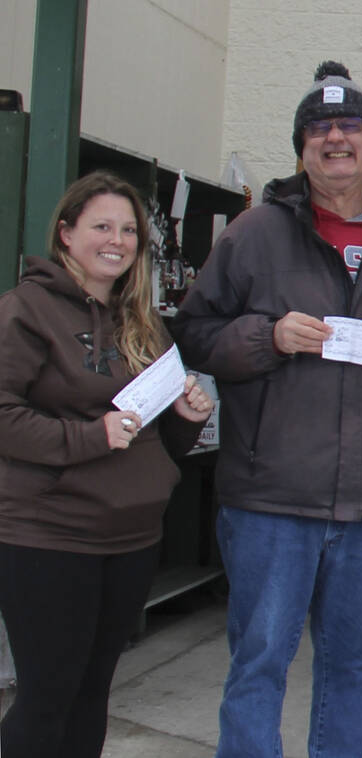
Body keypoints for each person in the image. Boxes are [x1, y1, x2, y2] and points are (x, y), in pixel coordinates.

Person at [172, 61, 362, 757]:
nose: (336, 139)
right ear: (302, 148)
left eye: (350, 128)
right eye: (320, 129)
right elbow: (192, 333)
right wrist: (266, 335)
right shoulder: (253, 234)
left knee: (354, 663)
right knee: (260, 661)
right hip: (272, 499)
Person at [0, 172, 213, 758]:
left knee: (93, 692)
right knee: (48, 694)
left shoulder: (140, 320)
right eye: (101, 226)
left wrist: (189, 416)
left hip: (131, 536)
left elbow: (161, 445)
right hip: (51, 534)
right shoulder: (26, 311)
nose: (116, 240)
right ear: (66, 234)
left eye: (128, 230)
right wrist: (89, 437)